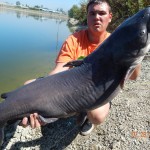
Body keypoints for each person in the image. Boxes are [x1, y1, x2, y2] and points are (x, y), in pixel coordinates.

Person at [21, 0, 141, 136]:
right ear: (87, 17)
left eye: (102, 13)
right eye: (92, 13)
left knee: (97, 116)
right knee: (28, 86)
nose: (97, 17)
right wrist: (41, 93)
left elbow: (134, 76)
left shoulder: (118, 41)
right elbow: (60, 69)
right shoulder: (74, 39)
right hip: (70, 86)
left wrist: (133, 52)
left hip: (96, 91)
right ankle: (43, 112)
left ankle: (85, 115)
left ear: (110, 17)